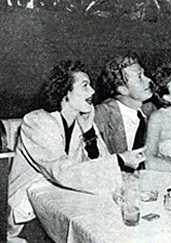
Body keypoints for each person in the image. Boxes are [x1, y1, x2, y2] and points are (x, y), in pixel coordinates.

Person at [7, 60, 122, 243]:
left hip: (66, 202)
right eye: (85, 86)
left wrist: (89, 132)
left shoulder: (81, 122)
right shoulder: (37, 122)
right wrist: (121, 161)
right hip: (28, 216)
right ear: (65, 92)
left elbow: (100, 164)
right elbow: (61, 171)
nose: (92, 92)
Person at [95, 53, 156, 174]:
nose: (148, 80)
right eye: (140, 77)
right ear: (123, 89)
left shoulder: (151, 110)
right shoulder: (101, 115)